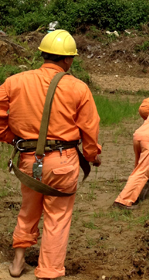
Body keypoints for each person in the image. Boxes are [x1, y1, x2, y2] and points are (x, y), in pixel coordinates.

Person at [0, 30, 102, 279]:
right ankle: (48, 271)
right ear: (68, 60)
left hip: (28, 159)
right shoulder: (78, 87)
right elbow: (90, 129)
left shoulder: (15, 81)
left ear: (43, 55)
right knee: (57, 217)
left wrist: (13, 139)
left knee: (28, 210)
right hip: (62, 161)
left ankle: (17, 263)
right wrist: (91, 156)